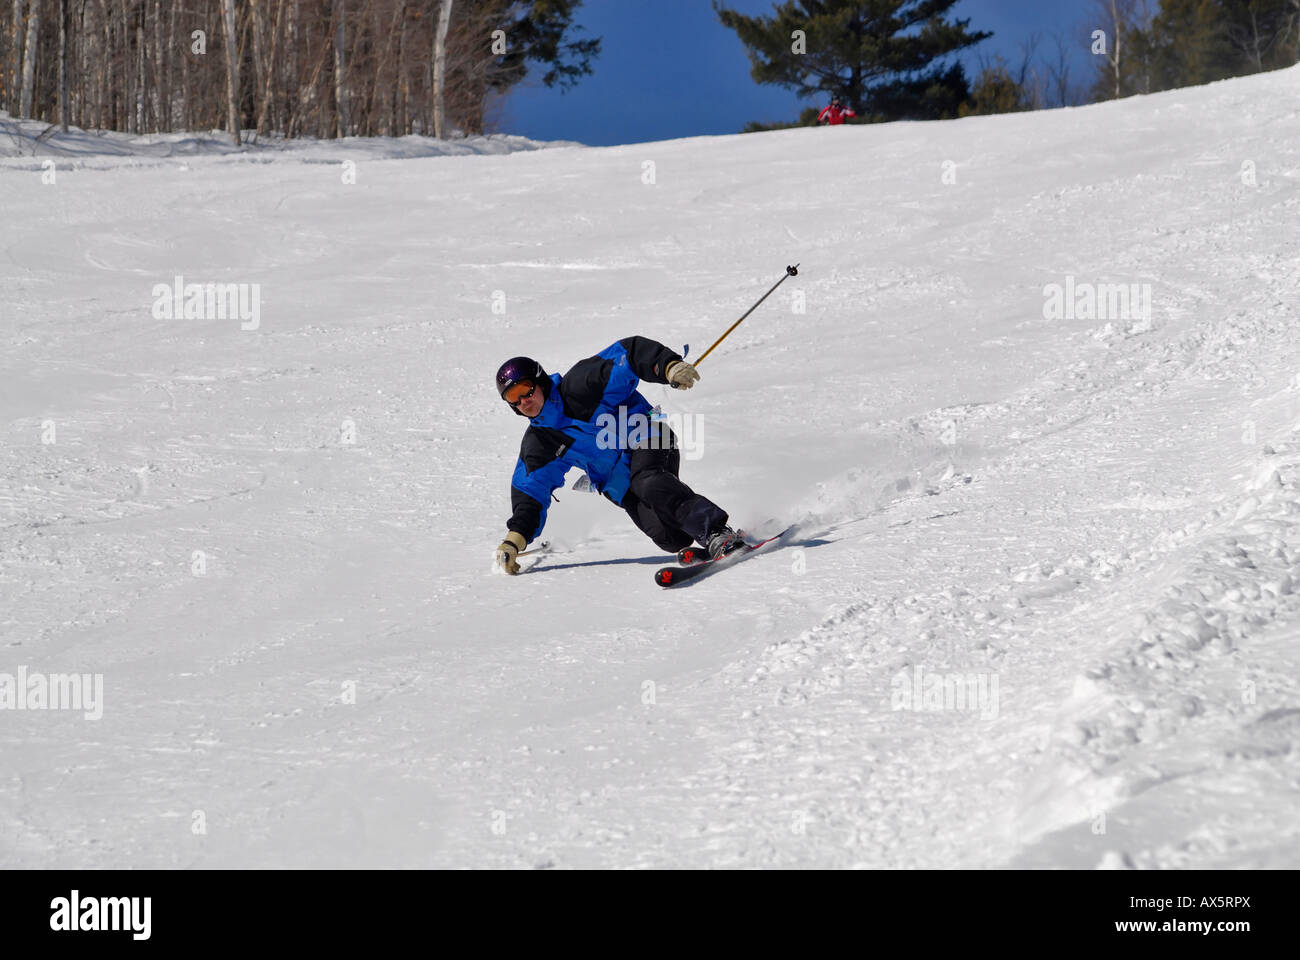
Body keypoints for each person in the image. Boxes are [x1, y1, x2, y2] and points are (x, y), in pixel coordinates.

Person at [492, 337, 745, 575]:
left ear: (541, 381)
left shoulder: (581, 385)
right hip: (619, 483)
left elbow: (629, 354)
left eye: (526, 389)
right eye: (513, 398)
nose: (523, 401)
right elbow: (531, 492)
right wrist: (514, 541)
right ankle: (700, 536)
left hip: (647, 434)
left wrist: (667, 366)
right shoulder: (540, 444)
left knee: (648, 481)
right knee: (669, 538)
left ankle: (716, 531)